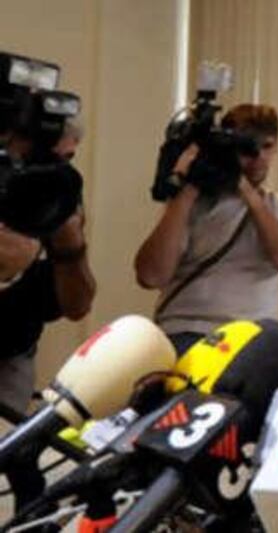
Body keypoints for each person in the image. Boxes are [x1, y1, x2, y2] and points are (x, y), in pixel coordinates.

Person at [135, 104, 278, 354]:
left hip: (249, 338)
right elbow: (150, 276)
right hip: (184, 331)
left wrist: (247, 192)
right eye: (247, 148)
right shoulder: (192, 205)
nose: (258, 157)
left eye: (267, 147)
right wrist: (188, 190)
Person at [0, 117, 96, 517]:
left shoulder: (53, 193)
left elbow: (77, 304)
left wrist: (69, 246)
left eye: (66, 158)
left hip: (13, 356)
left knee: (17, 466)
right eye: (42, 154)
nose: (57, 168)